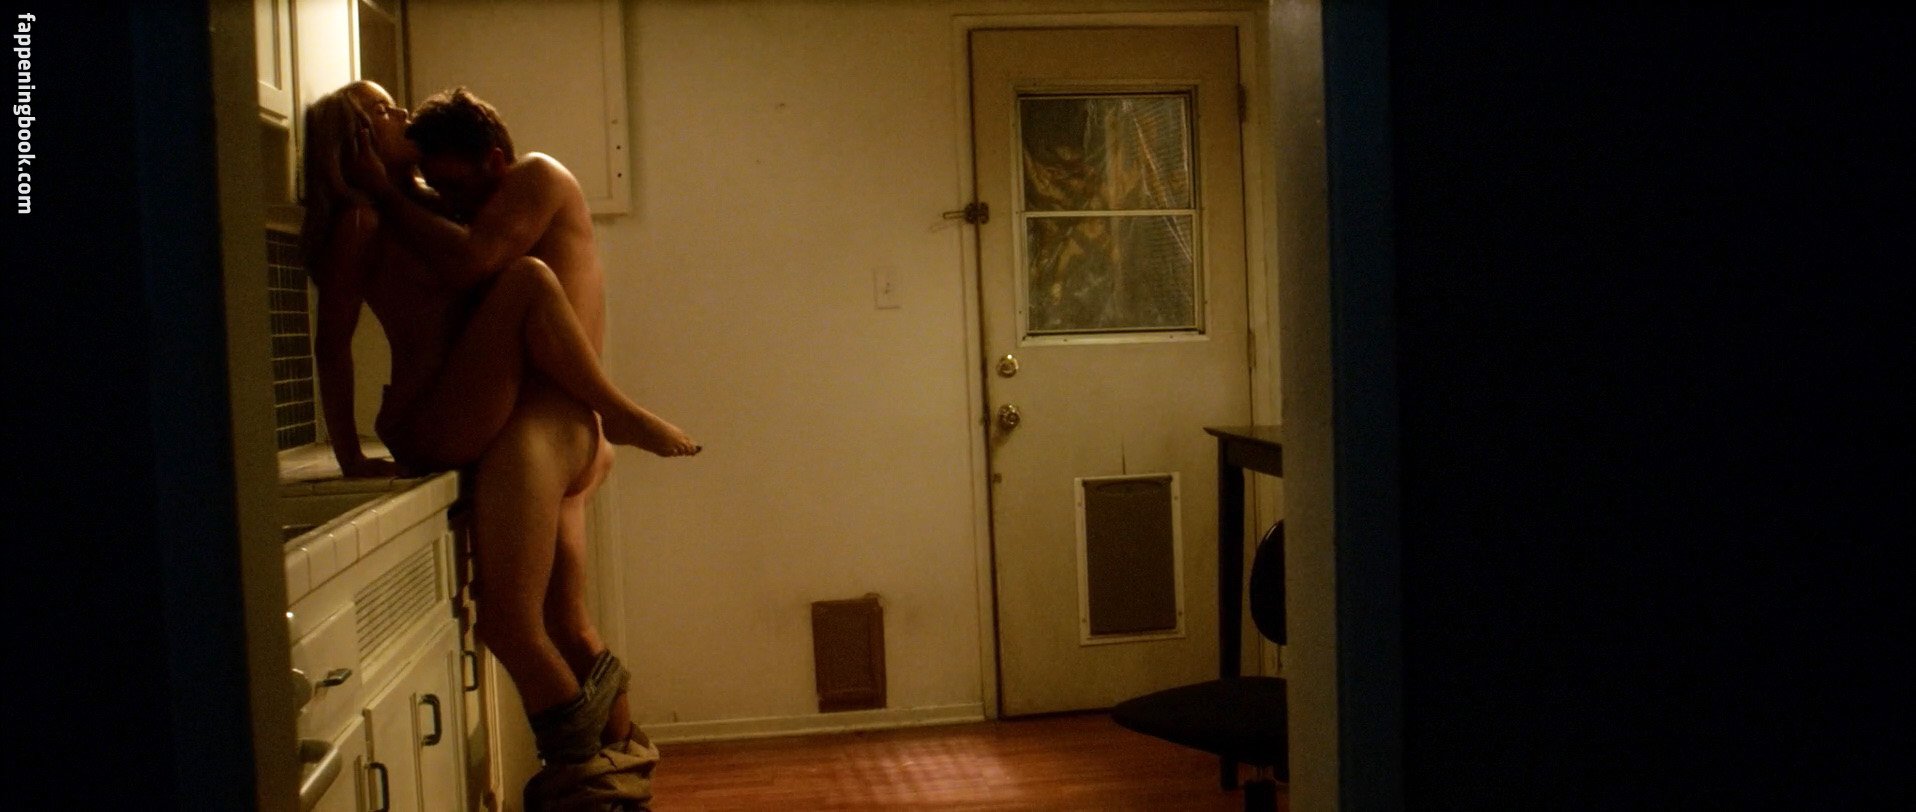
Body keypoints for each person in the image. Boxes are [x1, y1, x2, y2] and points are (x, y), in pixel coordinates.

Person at [305, 81, 688, 809]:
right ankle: (592, 784)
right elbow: (333, 342)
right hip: (432, 418)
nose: (402, 116)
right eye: (383, 112)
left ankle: (619, 780)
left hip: (491, 417)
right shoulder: (362, 218)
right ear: (350, 141)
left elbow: (469, 265)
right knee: (528, 280)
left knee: (565, 622)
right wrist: (350, 452)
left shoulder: (432, 210)